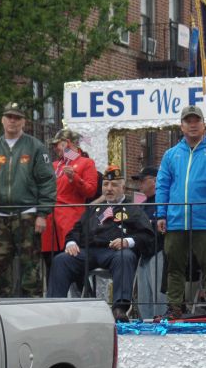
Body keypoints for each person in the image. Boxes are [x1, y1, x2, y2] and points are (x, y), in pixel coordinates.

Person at [156, 106, 206, 319]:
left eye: (196, 120)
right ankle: (174, 308)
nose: (192, 124)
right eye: (188, 121)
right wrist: (161, 214)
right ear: (181, 126)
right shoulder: (171, 154)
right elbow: (162, 186)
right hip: (176, 219)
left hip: (204, 219)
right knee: (174, 266)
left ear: (204, 125)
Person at [47, 166, 155, 322]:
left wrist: (127, 241)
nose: (109, 189)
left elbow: (147, 235)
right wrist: (70, 242)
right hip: (89, 251)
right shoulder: (94, 209)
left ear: (123, 188)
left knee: (125, 257)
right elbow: (76, 230)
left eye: (114, 185)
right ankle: (54, 308)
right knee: (61, 260)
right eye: (106, 185)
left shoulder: (133, 209)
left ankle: (120, 308)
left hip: (114, 252)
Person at [0, 102, 57, 297]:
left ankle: (32, 302)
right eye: (9, 117)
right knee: (0, 262)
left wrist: (42, 214)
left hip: (27, 214)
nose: (12, 121)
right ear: (2, 120)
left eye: (17, 118)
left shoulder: (35, 147)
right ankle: (2, 301)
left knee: (30, 262)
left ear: (24, 122)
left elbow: (47, 181)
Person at [41, 129, 97, 282]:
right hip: (50, 225)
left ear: (68, 143)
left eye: (57, 144)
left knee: (75, 270)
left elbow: (91, 191)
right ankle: (54, 302)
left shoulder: (85, 163)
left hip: (70, 223)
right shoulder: (53, 165)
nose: (55, 148)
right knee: (51, 268)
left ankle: (83, 302)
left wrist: (75, 178)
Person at [131, 166, 167, 319]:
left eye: (143, 180)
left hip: (159, 250)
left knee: (159, 296)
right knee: (144, 297)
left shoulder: (164, 200)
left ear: (155, 180)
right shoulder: (142, 205)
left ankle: (162, 321)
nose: (140, 185)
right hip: (143, 253)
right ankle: (146, 324)